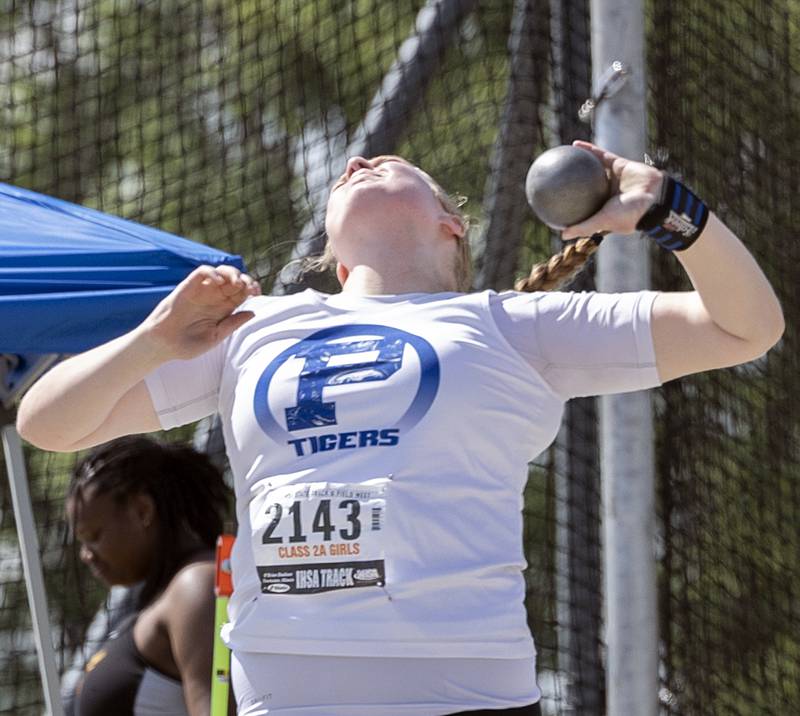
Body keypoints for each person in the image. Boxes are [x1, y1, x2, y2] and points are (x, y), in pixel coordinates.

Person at [18, 141, 783, 715]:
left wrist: (667, 209)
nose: (357, 158)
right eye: (349, 168)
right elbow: (47, 422)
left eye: (389, 163)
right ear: (337, 261)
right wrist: (155, 337)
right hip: (285, 697)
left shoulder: (511, 325)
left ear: (451, 225)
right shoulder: (255, 327)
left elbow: (745, 329)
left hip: (464, 692)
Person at [64, 435, 230, 716]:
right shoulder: (163, 592)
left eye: (93, 536)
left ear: (143, 510)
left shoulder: (196, 585)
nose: (86, 554)